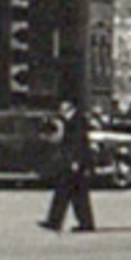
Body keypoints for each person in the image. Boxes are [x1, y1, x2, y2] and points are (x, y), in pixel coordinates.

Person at [41, 99, 96, 233]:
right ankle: (85, 223)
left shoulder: (77, 122)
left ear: (70, 109)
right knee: (78, 195)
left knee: (64, 192)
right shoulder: (72, 121)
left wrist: (76, 161)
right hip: (73, 162)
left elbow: (78, 143)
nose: (61, 112)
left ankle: (55, 221)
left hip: (75, 163)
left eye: (63, 109)